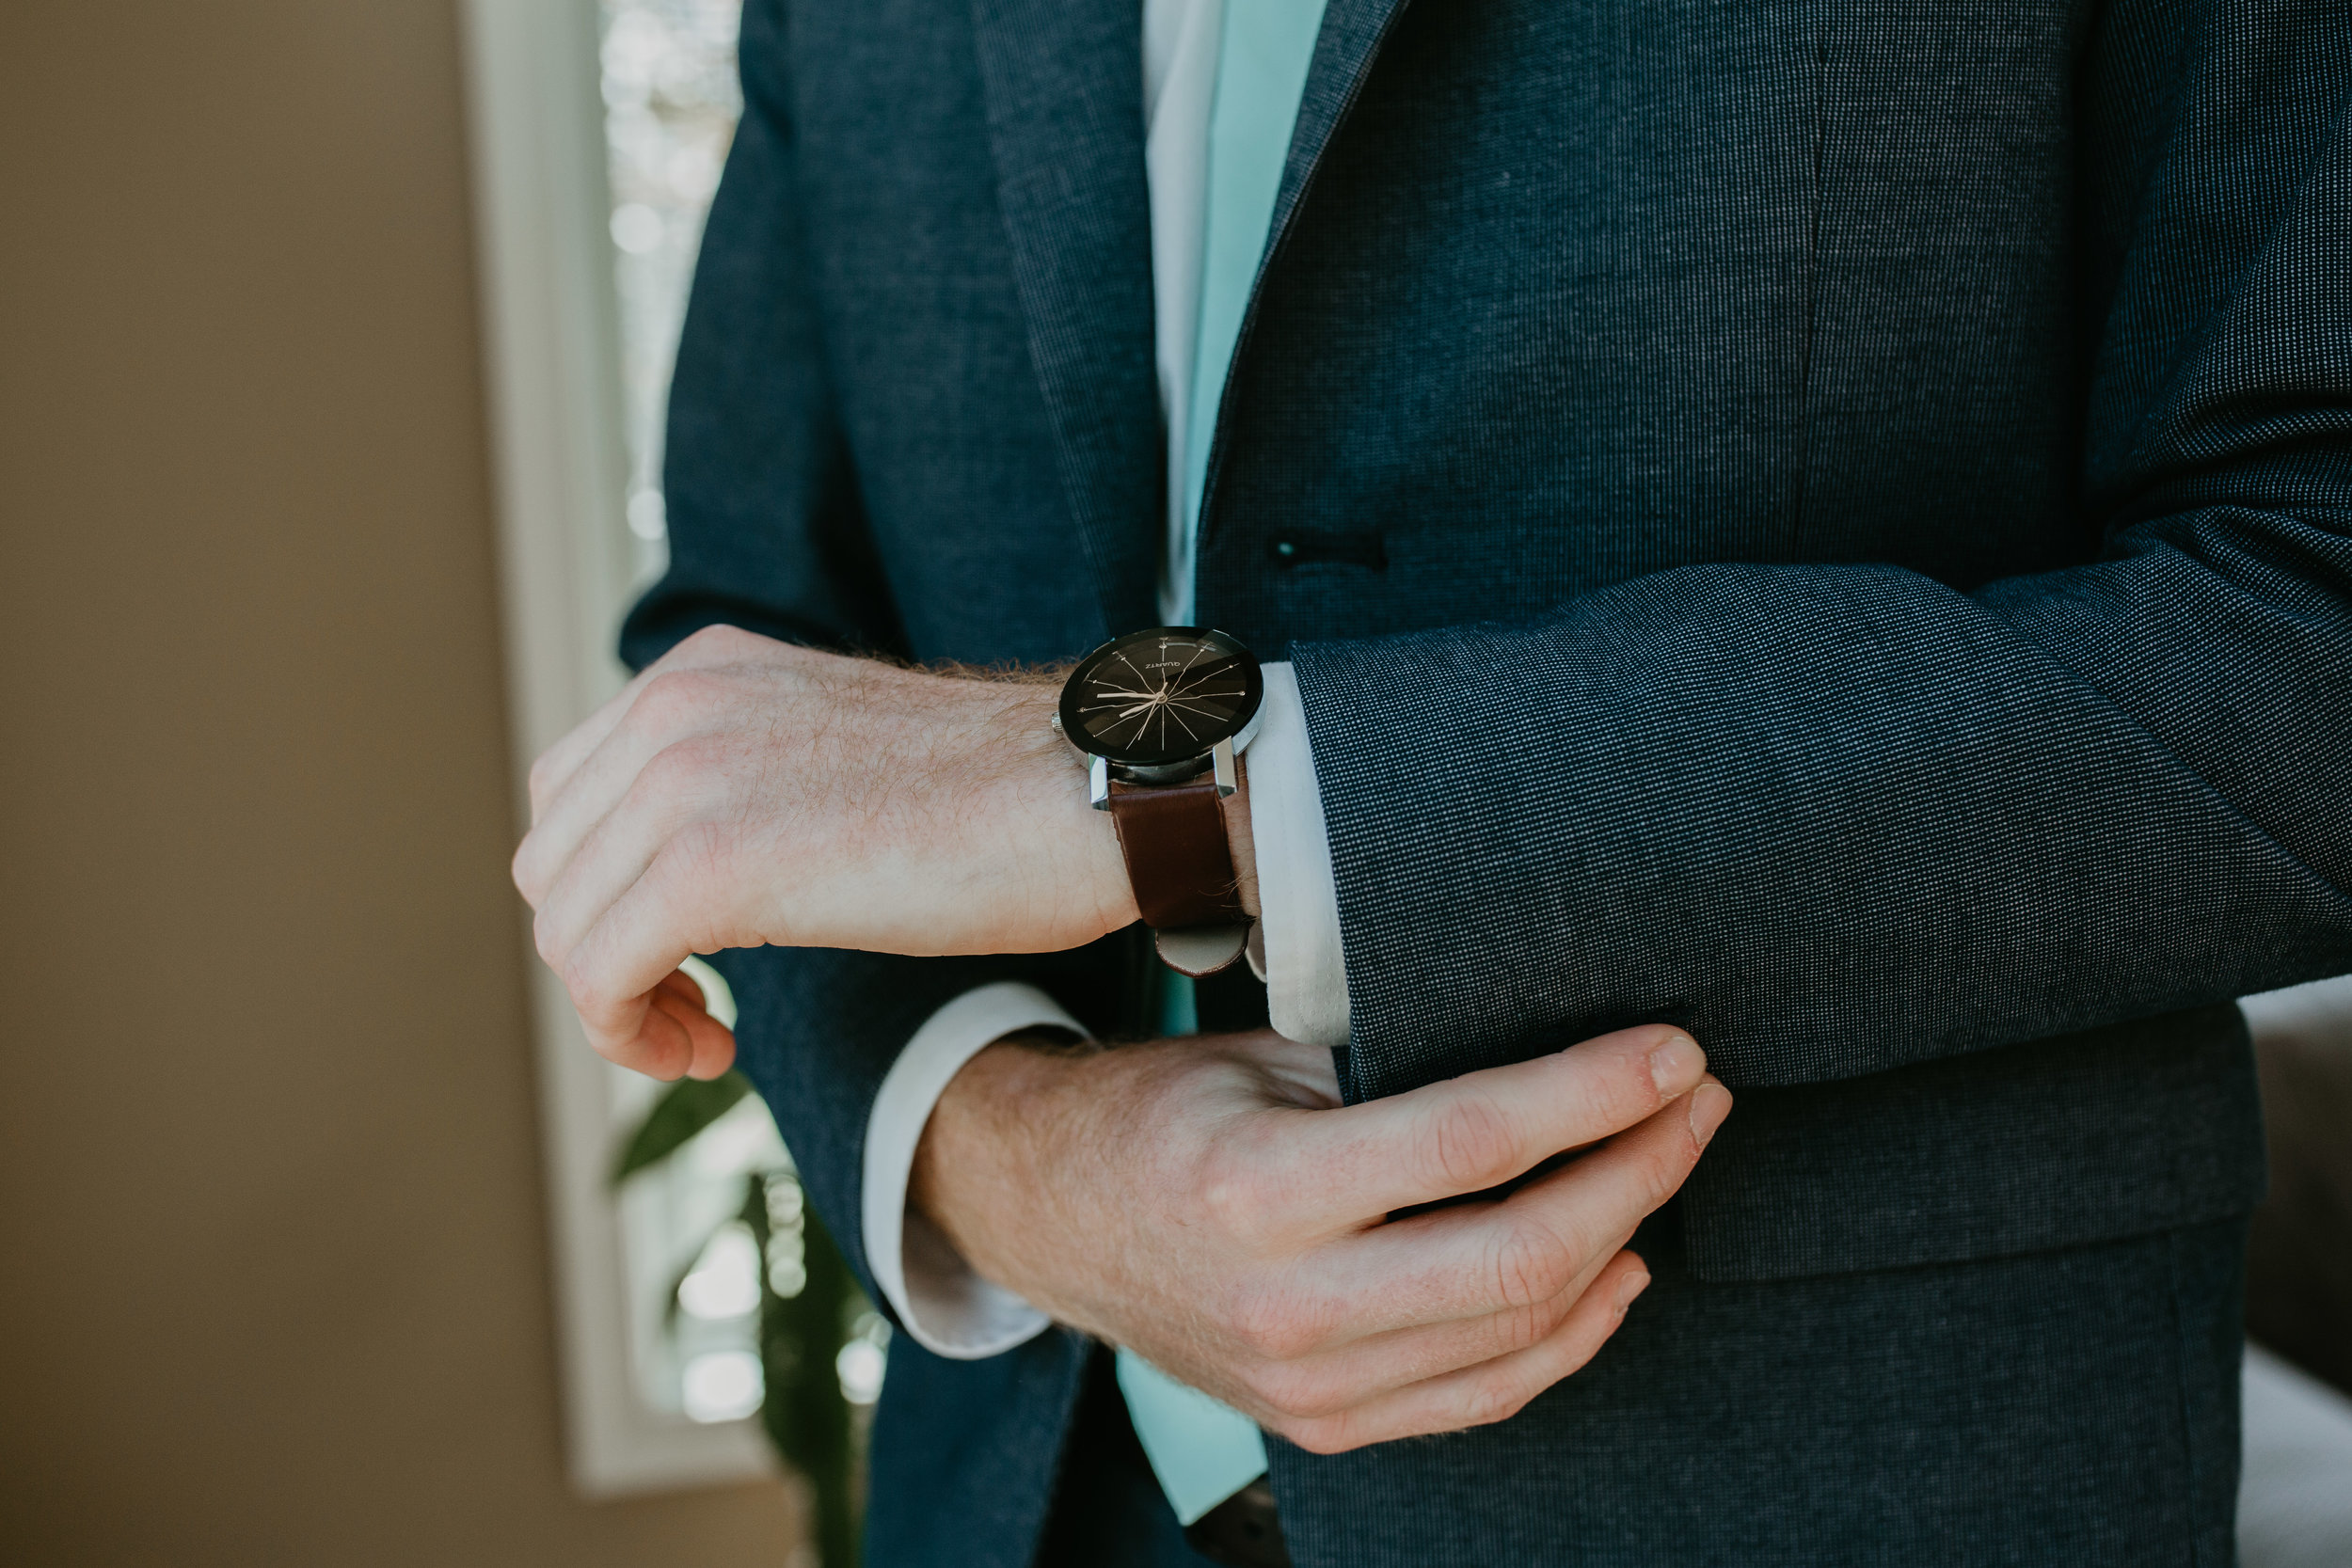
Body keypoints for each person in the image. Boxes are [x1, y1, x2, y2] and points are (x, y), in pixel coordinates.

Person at [511, 0, 2352, 1560]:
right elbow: (756, 664)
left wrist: (1171, 780)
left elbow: (2303, 617)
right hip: (1024, 1492)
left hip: (1835, 1474)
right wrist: (1006, 1157)